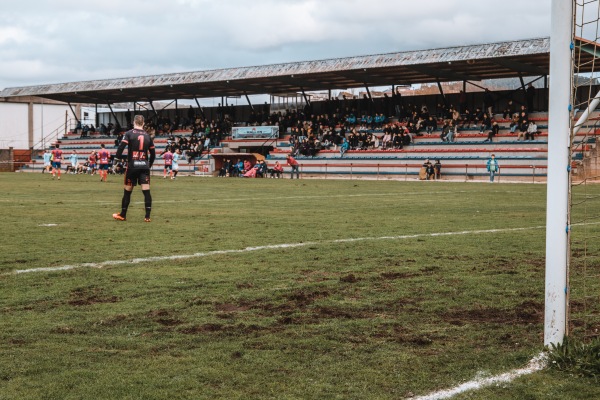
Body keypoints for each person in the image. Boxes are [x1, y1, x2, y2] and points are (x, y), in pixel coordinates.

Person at [113, 115, 156, 222]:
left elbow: (121, 147)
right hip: (144, 166)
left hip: (132, 165)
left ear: (134, 122)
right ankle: (147, 216)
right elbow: (153, 154)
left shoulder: (129, 133)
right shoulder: (147, 136)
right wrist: (149, 164)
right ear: (143, 123)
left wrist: (117, 159)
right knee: (146, 191)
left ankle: (123, 214)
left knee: (127, 192)